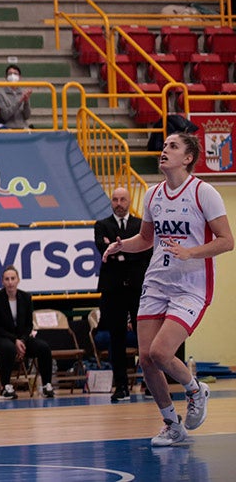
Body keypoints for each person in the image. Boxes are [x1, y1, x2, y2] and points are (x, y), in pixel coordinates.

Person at [103, 134, 232, 446]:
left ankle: (195, 388)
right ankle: (172, 425)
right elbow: (146, 239)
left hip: (191, 285)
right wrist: (121, 246)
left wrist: (191, 252)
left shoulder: (205, 193)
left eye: (172, 147)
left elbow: (227, 241)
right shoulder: (153, 194)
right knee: (146, 358)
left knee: (162, 352)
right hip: (157, 282)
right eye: (163, 147)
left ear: (188, 158)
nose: (164, 151)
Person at [93, 187, 152, 403]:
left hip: (137, 289)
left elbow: (146, 252)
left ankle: (149, 383)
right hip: (113, 291)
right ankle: (121, 387)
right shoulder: (102, 225)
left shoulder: (140, 225)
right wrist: (128, 252)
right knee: (115, 339)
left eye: (122, 199)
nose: (119, 203)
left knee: (144, 338)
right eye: (115, 199)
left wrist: (119, 251)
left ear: (129, 201)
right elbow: (103, 249)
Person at [0, 266, 56, 400]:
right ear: (2, 282)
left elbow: (29, 325)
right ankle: (5, 387)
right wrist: (14, 340)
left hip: (21, 339)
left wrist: (22, 340)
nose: (10, 282)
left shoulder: (26, 297)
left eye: (13, 279)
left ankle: (47, 385)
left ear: (18, 280)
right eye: (7, 279)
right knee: (8, 348)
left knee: (43, 347)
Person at [0, 64, 32, 129]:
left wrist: (26, 102)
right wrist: (20, 101)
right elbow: (5, 115)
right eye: (10, 74)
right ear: (6, 77)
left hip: (23, 128)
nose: (13, 76)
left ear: (20, 77)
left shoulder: (23, 93)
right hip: (7, 129)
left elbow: (27, 116)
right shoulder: (0, 93)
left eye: (15, 74)